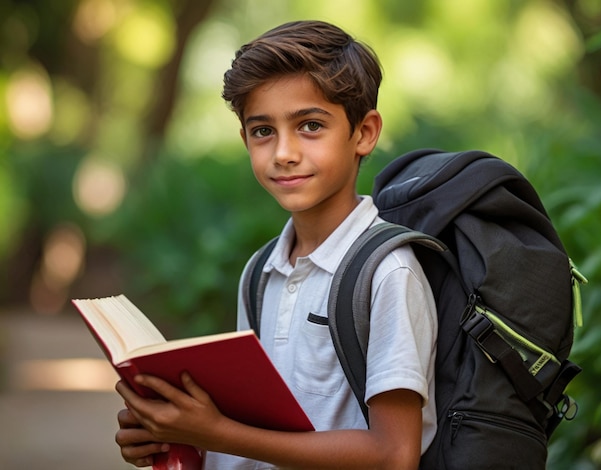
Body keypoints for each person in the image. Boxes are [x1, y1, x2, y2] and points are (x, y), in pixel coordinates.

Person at [114, 20, 437, 469]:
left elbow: (393, 454)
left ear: (364, 132)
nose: (283, 152)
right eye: (263, 130)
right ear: (245, 138)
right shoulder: (261, 269)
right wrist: (179, 438)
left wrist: (216, 431)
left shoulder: (386, 273)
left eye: (309, 125)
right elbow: (262, 435)